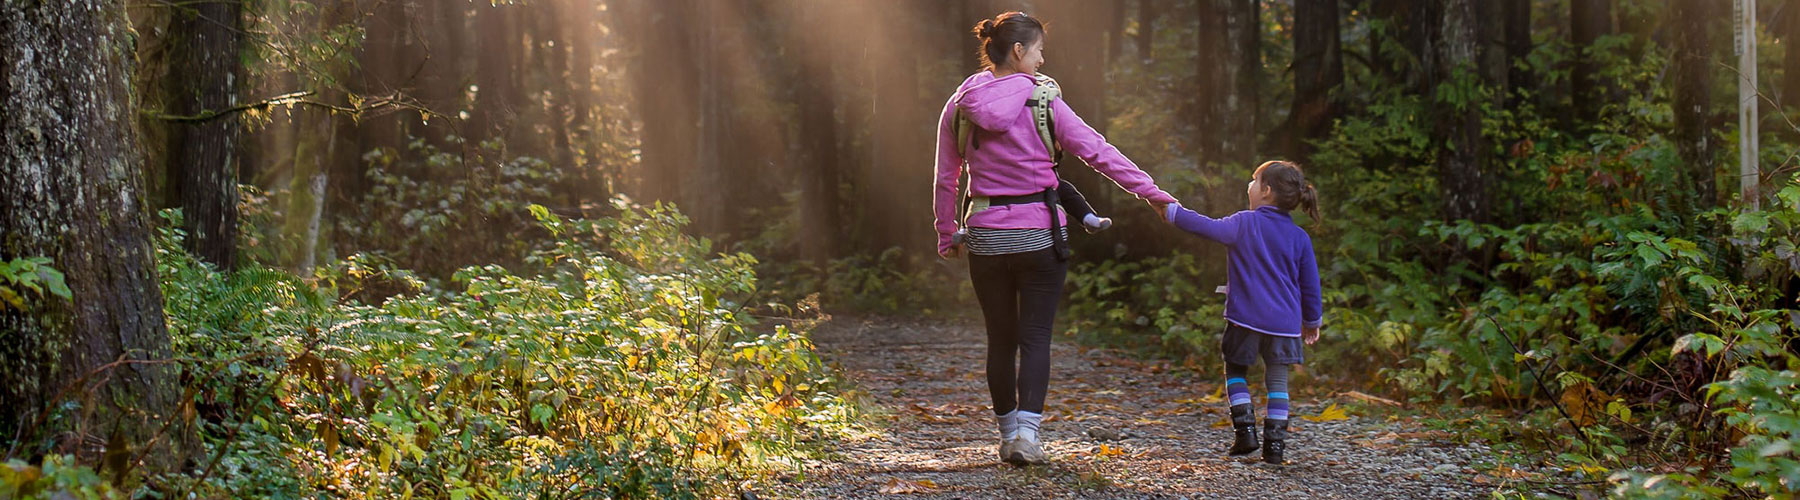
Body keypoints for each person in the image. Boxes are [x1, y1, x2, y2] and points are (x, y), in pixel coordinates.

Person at [933, 11, 1177, 465]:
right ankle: (1028, 436)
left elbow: (946, 176)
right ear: (1020, 50)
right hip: (1041, 236)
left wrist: (948, 232)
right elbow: (1098, 152)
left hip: (986, 236)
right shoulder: (1044, 100)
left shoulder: (961, 102)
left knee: (999, 339)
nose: (1043, 60)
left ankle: (1007, 438)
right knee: (1036, 338)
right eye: (1040, 50)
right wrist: (1153, 194)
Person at [1160, 160, 1324, 465]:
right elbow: (1310, 285)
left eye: (1253, 180)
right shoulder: (1300, 238)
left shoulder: (1243, 223)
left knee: (1235, 370)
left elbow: (1205, 226)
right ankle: (1274, 448)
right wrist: (1311, 321)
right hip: (1285, 325)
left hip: (1245, 318)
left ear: (1266, 191)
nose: (1248, 186)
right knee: (1278, 382)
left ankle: (1245, 432)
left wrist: (1171, 211)